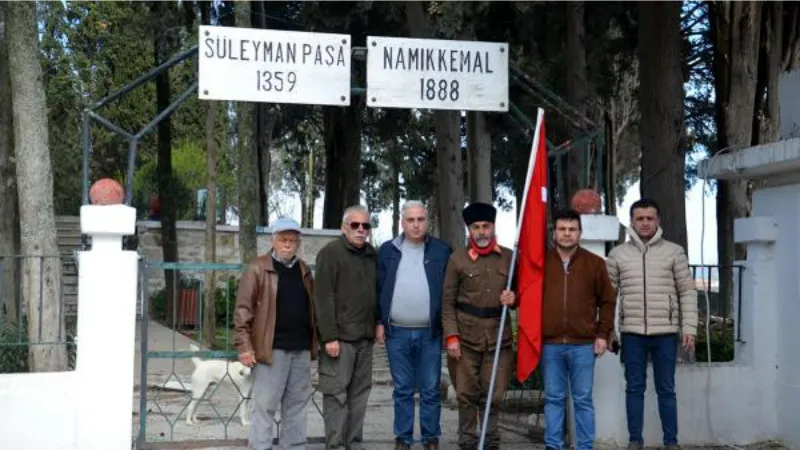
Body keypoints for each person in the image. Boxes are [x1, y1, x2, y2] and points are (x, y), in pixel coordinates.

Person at [606, 198, 698, 450]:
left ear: (658, 221)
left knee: (666, 389)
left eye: (650, 218)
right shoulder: (617, 255)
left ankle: (671, 442)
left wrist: (689, 327)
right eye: (640, 218)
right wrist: (608, 330)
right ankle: (635, 441)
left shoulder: (674, 252)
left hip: (666, 334)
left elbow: (687, 291)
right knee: (634, 389)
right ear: (631, 222)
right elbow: (608, 297)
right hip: (632, 334)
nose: (645, 223)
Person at [233, 217, 317, 450]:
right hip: (271, 349)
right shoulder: (258, 268)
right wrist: (244, 346)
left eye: (292, 240)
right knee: (265, 406)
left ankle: (294, 447)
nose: (288, 244)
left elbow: (312, 307)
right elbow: (242, 310)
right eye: (283, 239)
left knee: (297, 406)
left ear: (298, 243)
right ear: (273, 240)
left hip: (300, 349)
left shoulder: (303, 270)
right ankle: (261, 447)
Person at [376, 201, 452, 450]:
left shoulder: (442, 251)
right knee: (403, 389)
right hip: (396, 332)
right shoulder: (387, 250)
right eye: (411, 220)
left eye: (420, 219)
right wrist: (379, 321)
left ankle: (431, 437)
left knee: (430, 388)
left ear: (426, 221)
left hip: (430, 333)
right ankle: (403, 438)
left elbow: (450, 292)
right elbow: (378, 289)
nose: (416, 225)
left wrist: (448, 329)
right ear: (402, 223)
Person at [441, 202, 516, 450]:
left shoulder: (509, 258)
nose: (481, 232)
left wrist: (515, 298)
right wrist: (451, 336)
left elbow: (524, 293)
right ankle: (467, 442)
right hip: (465, 338)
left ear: (493, 227)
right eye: (476, 227)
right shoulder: (457, 259)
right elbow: (447, 302)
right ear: (469, 230)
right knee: (466, 395)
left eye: (486, 226)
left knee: (493, 396)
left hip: (499, 339)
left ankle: (491, 442)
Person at [541, 209, 617, 450]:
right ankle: (554, 446)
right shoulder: (541, 262)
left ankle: (585, 447)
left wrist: (603, 334)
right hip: (550, 344)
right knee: (553, 399)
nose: (566, 234)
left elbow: (607, 301)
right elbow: (528, 297)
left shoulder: (594, 264)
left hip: (583, 344)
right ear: (555, 232)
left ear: (580, 233)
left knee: (583, 400)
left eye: (572, 229)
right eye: (562, 229)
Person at [313, 205, 380, 450]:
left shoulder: (371, 254)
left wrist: (378, 324)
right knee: (336, 396)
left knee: (360, 396)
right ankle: (335, 445)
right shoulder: (330, 253)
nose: (361, 230)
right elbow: (323, 296)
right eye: (355, 225)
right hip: (339, 341)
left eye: (366, 226)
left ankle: (354, 443)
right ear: (344, 228)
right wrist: (329, 336)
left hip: (364, 339)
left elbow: (375, 293)